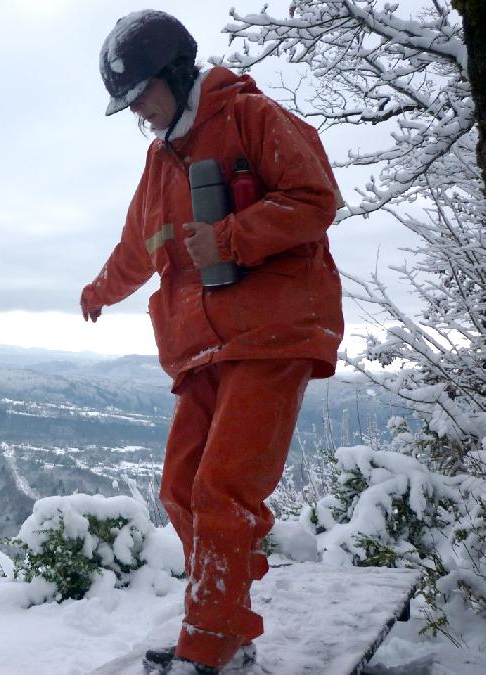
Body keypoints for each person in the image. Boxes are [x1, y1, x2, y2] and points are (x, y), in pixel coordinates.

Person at [80, 10, 344, 675]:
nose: (139, 110)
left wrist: (230, 238)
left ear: (174, 72)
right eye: (130, 101)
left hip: (271, 334)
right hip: (202, 347)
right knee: (180, 486)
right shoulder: (159, 162)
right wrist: (101, 290)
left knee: (222, 490)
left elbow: (316, 197)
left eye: (143, 93)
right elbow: (139, 247)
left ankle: (212, 642)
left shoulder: (252, 117)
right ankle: (226, 617)